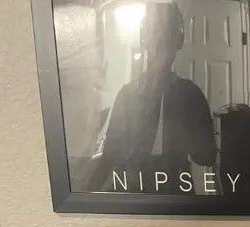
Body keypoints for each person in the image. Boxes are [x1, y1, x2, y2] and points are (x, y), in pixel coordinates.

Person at [87, 2, 216, 192]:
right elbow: (110, 154)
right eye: (155, 34)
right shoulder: (128, 94)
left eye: (167, 35)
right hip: (134, 194)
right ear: (144, 39)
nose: (160, 43)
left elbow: (207, 156)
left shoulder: (190, 95)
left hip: (173, 195)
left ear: (179, 41)